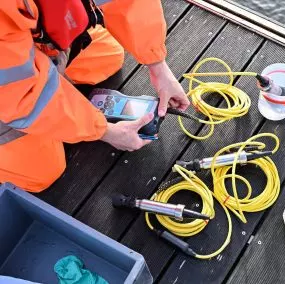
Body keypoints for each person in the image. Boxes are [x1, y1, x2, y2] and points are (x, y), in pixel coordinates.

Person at [0, 0, 190, 193]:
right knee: (42, 172)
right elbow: (24, 96)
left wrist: (157, 65)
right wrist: (105, 131)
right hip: (9, 89)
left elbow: (127, 3)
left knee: (110, 56)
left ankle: (51, 81)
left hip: (32, 45)